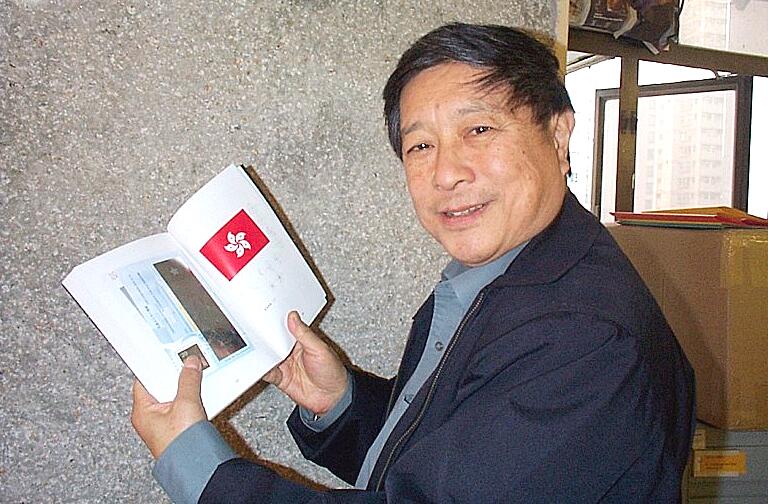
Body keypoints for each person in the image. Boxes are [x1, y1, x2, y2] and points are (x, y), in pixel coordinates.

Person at [132, 23, 695, 503]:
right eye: (421, 146)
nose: (446, 173)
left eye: (479, 130)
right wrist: (341, 402)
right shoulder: (505, 275)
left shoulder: (582, 338)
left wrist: (197, 465)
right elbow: (453, 459)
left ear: (558, 132)